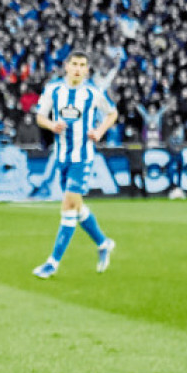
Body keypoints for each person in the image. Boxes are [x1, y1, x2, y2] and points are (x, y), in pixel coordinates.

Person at [32, 51, 118, 279]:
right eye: (75, 64)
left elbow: (112, 113)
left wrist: (99, 131)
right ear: (66, 67)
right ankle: (103, 243)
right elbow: (40, 116)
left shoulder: (93, 92)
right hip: (61, 157)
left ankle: (52, 263)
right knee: (76, 207)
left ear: (87, 69)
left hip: (83, 158)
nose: (79, 69)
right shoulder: (54, 90)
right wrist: (51, 126)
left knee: (69, 205)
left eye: (83, 65)